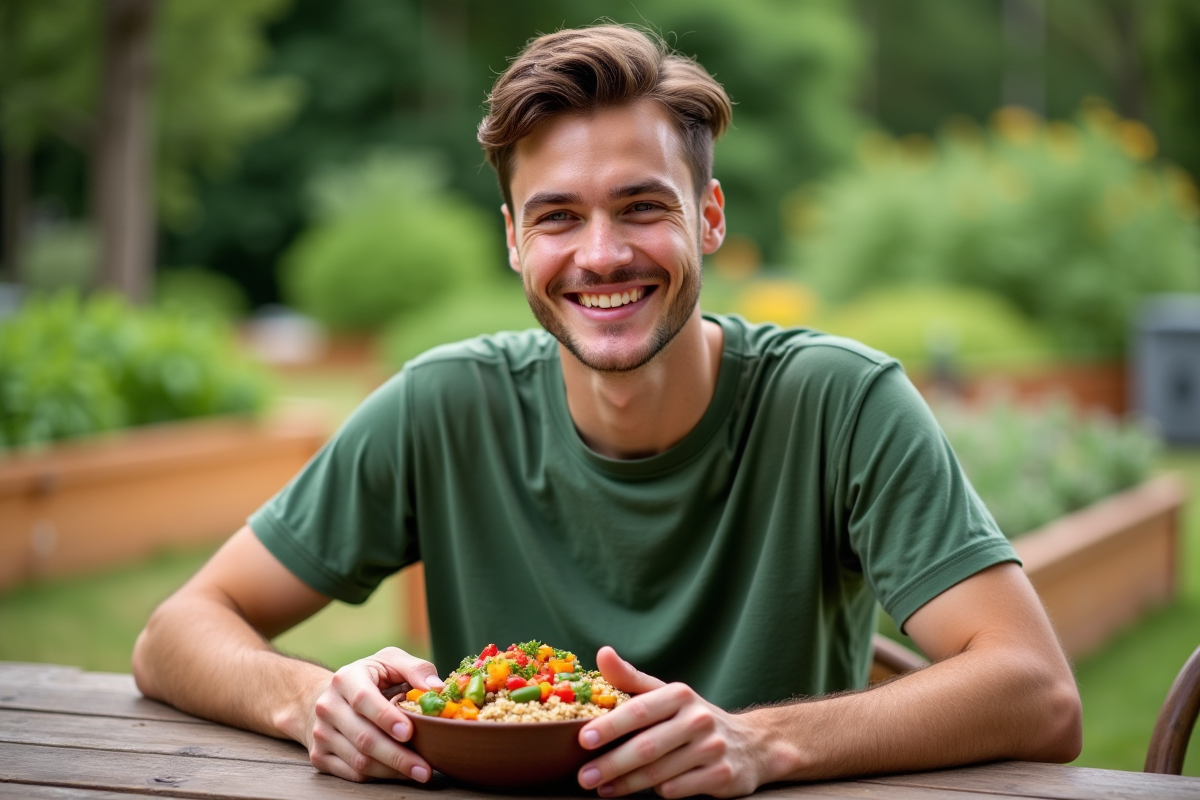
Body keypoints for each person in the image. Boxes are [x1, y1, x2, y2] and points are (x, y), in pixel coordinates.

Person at [132, 24, 1082, 798]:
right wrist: (310, 704)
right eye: (556, 217)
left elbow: (1036, 691)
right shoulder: (444, 405)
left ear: (708, 217)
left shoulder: (840, 401)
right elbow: (177, 631)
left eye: (640, 207)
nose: (599, 255)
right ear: (513, 240)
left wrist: (760, 745)